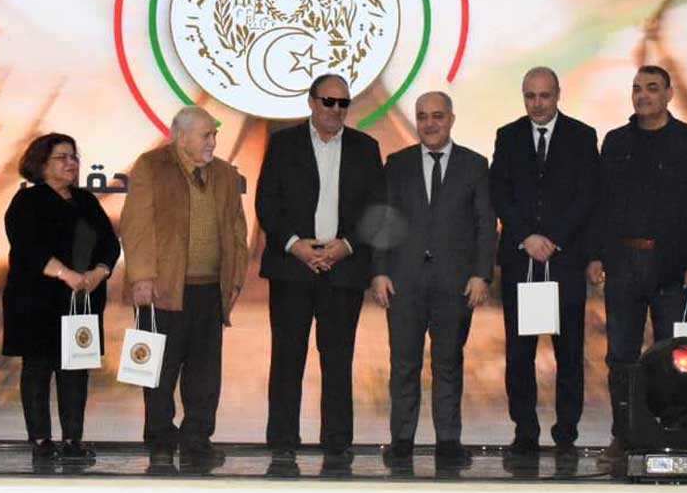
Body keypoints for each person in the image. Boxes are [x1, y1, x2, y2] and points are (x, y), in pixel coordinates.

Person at [587, 65, 687, 464]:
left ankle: (670, 436)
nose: (643, 95)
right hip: (623, 265)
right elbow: (600, 203)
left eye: (652, 88)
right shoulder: (616, 142)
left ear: (669, 94)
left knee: (674, 358)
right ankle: (623, 438)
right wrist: (595, 254)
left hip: (673, 269)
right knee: (620, 357)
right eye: (637, 88)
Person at [256, 73, 386, 461]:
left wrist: (346, 246)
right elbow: (266, 203)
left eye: (343, 103)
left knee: (338, 360)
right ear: (311, 102)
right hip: (291, 269)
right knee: (287, 358)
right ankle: (282, 442)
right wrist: (295, 246)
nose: (336, 109)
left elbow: (377, 209)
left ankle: (337, 442)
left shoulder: (366, 147)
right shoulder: (283, 144)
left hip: (343, 270)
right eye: (328, 101)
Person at [120, 106, 249, 468]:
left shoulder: (225, 173)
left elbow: (237, 230)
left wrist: (234, 279)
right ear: (181, 137)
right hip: (162, 290)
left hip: (209, 291)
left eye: (214, 135)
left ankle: (197, 441)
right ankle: (160, 440)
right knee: (158, 372)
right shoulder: (151, 166)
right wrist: (141, 277)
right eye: (206, 135)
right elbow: (136, 225)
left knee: (205, 376)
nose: (213, 142)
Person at [372, 91, 496, 467]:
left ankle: (448, 443)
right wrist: (379, 271)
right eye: (423, 116)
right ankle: (401, 442)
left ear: (451, 119)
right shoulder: (397, 163)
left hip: (455, 284)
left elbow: (485, 224)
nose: (430, 123)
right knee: (403, 365)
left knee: (448, 364)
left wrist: (481, 274)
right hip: (403, 282)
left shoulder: (475, 164)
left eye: (437, 116)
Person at [490, 66, 598, 456]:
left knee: (568, 353)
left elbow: (588, 195)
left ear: (558, 94)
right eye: (530, 96)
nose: (537, 104)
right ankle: (525, 431)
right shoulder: (508, 135)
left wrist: (554, 239)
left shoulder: (582, 136)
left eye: (544, 95)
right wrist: (526, 237)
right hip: (521, 262)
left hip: (564, 263)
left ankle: (566, 432)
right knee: (519, 354)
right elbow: (498, 193)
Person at [3, 133, 120, 462]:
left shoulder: (86, 200)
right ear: (41, 164)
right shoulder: (26, 201)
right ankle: (41, 441)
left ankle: (72, 440)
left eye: (74, 157)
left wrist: (99, 271)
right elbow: (27, 247)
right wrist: (66, 274)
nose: (71, 163)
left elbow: (110, 243)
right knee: (38, 369)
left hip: (81, 301)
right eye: (62, 157)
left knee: (76, 371)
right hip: (36, 301)